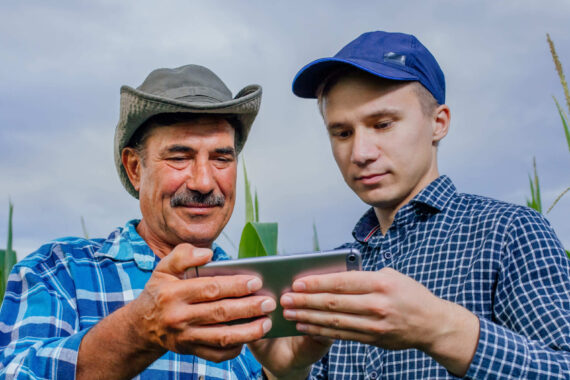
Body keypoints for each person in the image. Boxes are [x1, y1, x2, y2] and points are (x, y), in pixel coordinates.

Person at [257, 31, 570, 379]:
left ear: (438, 123)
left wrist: (441, 328)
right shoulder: (331, 272)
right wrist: (288, 373)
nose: (360, 153)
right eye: (342, 133)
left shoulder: (509, 233)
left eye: (383, 124)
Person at [0, 64, 277, 378]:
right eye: (179, 156)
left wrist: (287, 373)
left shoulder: (255, 294)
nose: (203, 182)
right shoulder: (59, 272)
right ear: (134, 169)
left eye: (221, 158)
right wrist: (139, 331)